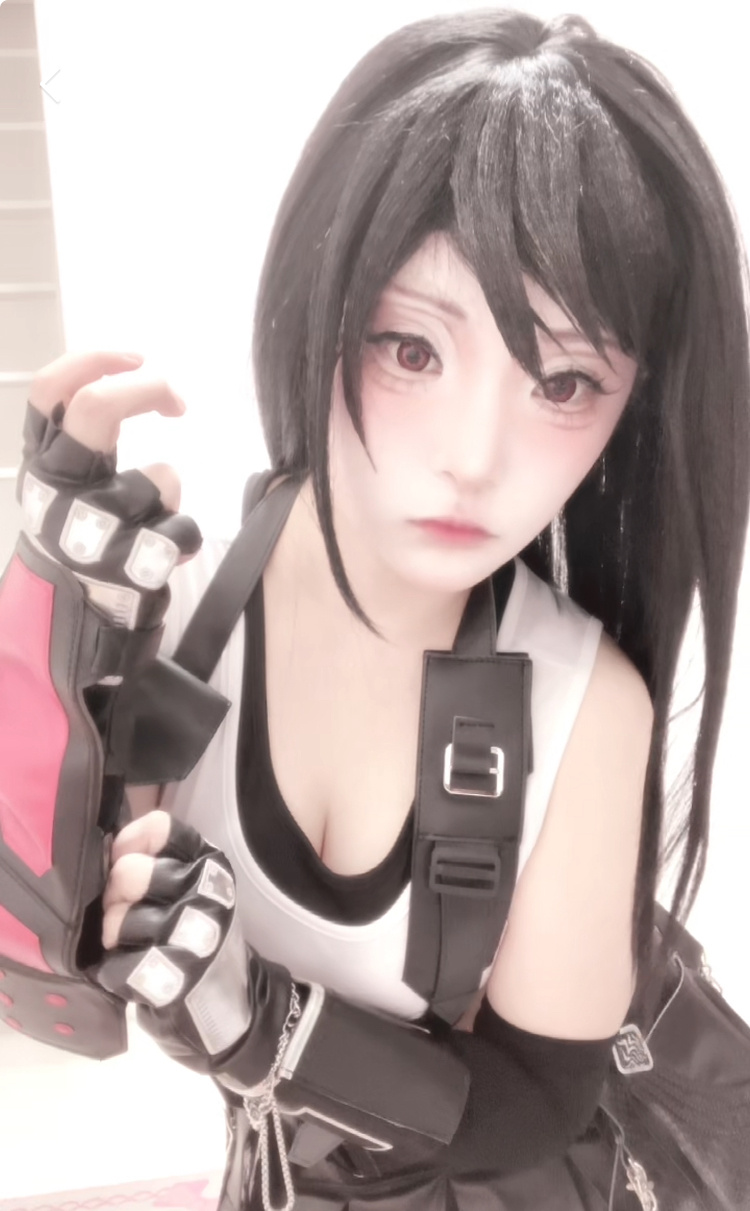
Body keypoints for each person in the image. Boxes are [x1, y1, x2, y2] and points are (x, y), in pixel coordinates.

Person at [3, 8, 749, 1209]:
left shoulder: (579, 703)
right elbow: (52, 967)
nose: (474, 457)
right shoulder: (174, 606)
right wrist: (48, 621)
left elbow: (538, 1098)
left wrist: (271, 1028)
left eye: (564, 380)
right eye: (412, 348)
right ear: (323, 308)